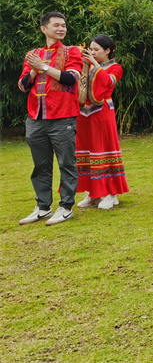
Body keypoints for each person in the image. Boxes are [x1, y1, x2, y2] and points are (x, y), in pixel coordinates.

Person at [17, 12, 83, 226]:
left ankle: (66, 207)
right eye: (56, 25)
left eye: (64, 25)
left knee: (66, 163)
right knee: (40, 165)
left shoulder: (72, 51)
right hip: (35, 118)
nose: (61, 29)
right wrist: (35, 71)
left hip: (62, 117)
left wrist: (44, 67)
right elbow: (23, 85)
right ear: (44, 29)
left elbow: (71, 78)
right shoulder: (33, 54)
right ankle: (43, 207)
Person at [75, 35, 129, 210]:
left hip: (102, 112)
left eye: (96, 49)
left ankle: (111, 193)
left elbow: (108, 82)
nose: (92, 52)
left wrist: (95, 64)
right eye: (90, 49)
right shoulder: (87, 65)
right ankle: (93, 193)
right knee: (88, 150)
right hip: (84, 113)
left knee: (103, 148)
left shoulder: (115, 68)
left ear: (108, 51)